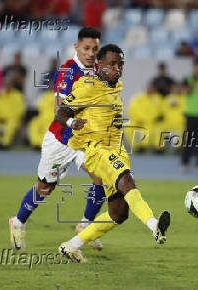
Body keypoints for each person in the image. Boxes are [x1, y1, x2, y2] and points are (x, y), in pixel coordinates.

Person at [56, 44, 171, 263]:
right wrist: (72, 121)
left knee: (118, 214)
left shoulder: (115, 86)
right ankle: (154, 225)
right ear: (99, 65)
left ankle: (71, 245)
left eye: (121, 64)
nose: (118, 68)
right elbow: (61, 112)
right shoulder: (87, 86)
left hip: (116, 151)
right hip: (98, 151)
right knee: (127, 182)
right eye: (112, 64)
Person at [9, 27, 105, 252]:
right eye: (86, 48)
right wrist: (75, 122)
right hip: (61, 141)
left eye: (95, 49)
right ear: (76, 48)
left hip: (84, 142)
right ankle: (18, 222)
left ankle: (85, 227)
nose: (91, 53)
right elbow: (59, 110)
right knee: (46, 188)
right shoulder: (68, 71)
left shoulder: (99, 71)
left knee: (101, 177)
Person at [0, 76, 25, 149]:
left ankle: (5, 143)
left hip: (12, 118)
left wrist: (10, 117)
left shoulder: (18, 95)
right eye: (5, 85)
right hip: (0, 118)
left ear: (12, 86)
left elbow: (20, 110)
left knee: (11, 125)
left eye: (9, 85)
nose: (7, 87)